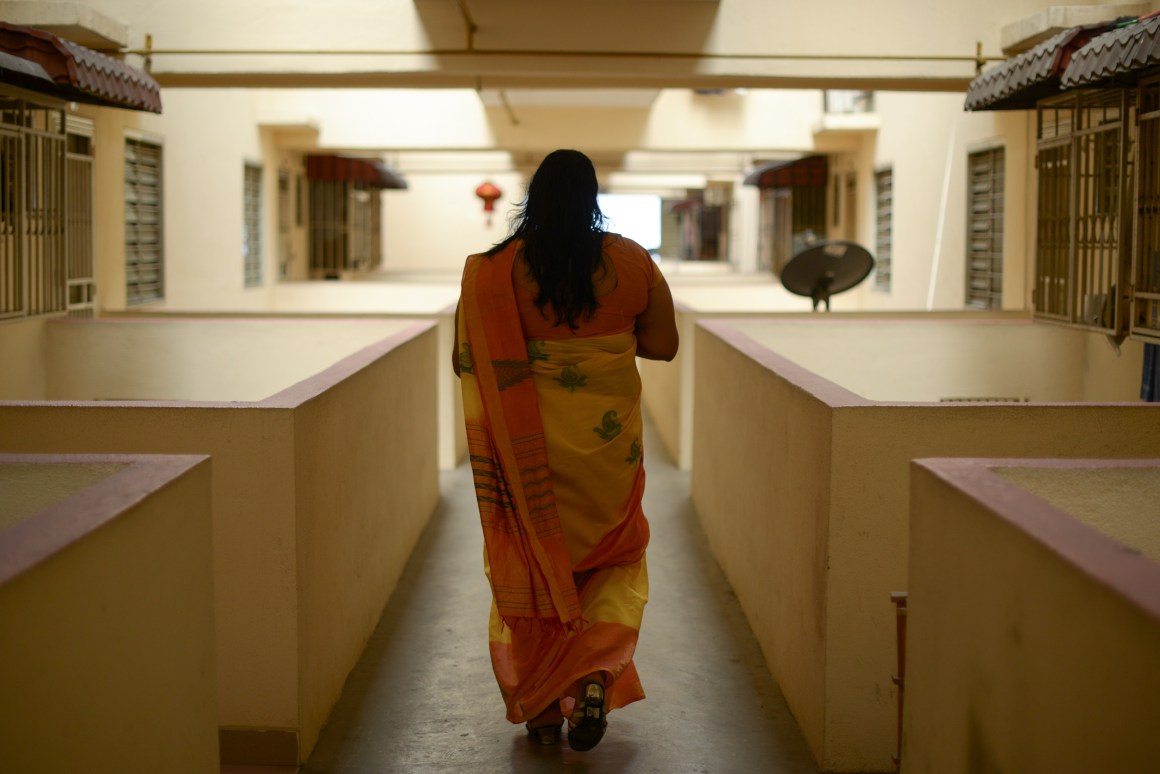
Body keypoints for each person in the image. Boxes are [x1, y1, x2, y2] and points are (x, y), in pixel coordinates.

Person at [453, 149, 678, 752]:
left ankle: (545, 708)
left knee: (529, 564)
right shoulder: (631, 261)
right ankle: (594, 673)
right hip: (607, 452)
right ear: (592, 198)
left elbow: (464, 359)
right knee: (613, 556)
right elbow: (663, 346)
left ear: (534, 197)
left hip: (528, 459)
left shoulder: (492, 270)